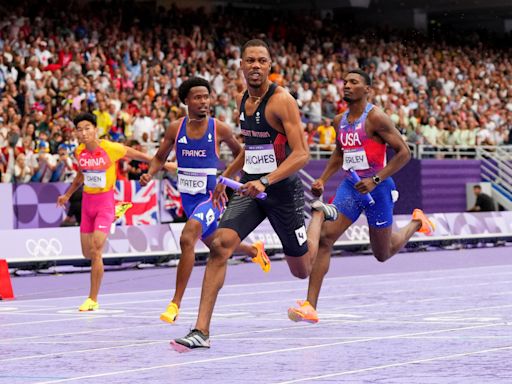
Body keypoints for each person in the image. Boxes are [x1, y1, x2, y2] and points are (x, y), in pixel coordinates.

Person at [170, 39, 338, 352]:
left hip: (282, 190)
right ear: (242, 65)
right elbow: (252, 147)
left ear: (270, 66)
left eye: (262, 60)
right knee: (220, 245)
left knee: (301, 270)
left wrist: (266, 180)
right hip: (250, 186)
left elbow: (301, 154)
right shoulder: (244, 99)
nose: (256, 66)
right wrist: (228, 176)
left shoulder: (281, 101)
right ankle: (201, 331)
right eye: (250, 60)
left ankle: (317, 214)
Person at [287, 69, 435, 324]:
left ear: (367, 90)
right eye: (345, 82)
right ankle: (310, 305)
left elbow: (404, 153)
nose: (347, 85)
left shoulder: (376, 118)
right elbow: (339, 153)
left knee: (382, 253)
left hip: (378, 188)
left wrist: (376, 179)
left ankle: (417, 222)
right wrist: (323, 177)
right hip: (351, 187)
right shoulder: (338, 121)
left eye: (354, 82)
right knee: (325, 238)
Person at [140, 77, 272, 325]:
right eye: (197, 98)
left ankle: (174, 304)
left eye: (206, 97)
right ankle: (255, 250)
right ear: (186, 101)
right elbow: (159, 157)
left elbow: (242, 153)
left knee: (188, 237)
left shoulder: (219, 128)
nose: (204, 102)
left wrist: (236, 178)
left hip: (212, 198)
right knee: (217, 245)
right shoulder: (174, 128)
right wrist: (150, 172)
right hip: (188, 199)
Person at [57, 112, 175, 311]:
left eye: (88, 128)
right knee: (86, 252)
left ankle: (92, 299)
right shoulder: (79, 152)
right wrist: (67, 195)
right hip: (88, 204)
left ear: (96, 129)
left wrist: (164, 164)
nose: (84, 133)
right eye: (80, 129)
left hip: (104, 202)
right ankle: (116, 212)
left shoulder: (110, 148)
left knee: (96, 250)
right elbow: (80, 175)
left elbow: (139, 155)